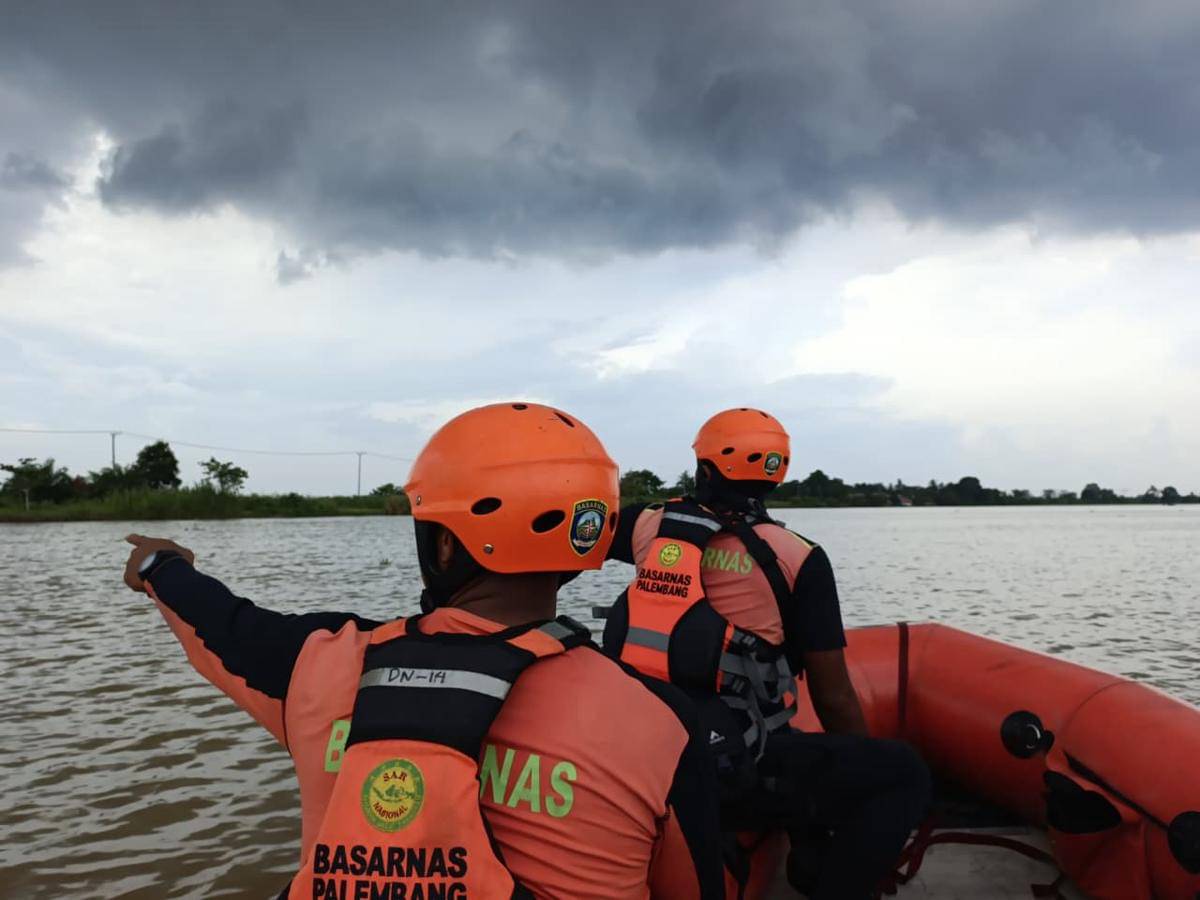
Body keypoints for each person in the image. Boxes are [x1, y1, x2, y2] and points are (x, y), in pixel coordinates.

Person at [122, 402, 724, 900]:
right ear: (579, 547)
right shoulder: (659, 721)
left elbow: (217, 621)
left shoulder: (320, 663)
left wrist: (159, 563)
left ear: (441, 548)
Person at [602, 407, 930, 900]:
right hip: (732, 772)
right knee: (902, 773)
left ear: (704, 470)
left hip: (634, 749)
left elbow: (575, 541)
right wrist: (851, 770)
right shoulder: (801, 558)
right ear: (777, 476)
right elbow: (834, 695)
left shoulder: (645, 528)